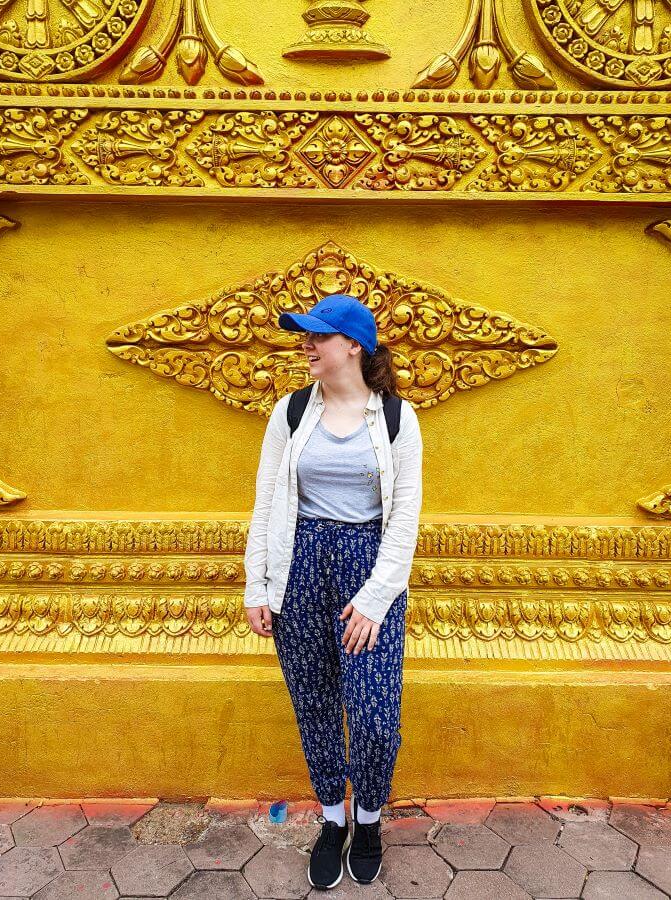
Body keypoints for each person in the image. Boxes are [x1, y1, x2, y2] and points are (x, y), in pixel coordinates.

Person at [243, 293, 423, 890]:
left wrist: (374, 601)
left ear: (354, 346)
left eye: (317, 336)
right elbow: (267, 501)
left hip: (368, 572)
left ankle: (368, 818)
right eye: (304, 335)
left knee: (374, 718)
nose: (306, 345)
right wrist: (258, 585)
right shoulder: (290, 413)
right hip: (298, 567)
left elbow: (404, 521)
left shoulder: (398, 418)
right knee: (315, 705)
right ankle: (332, 820)